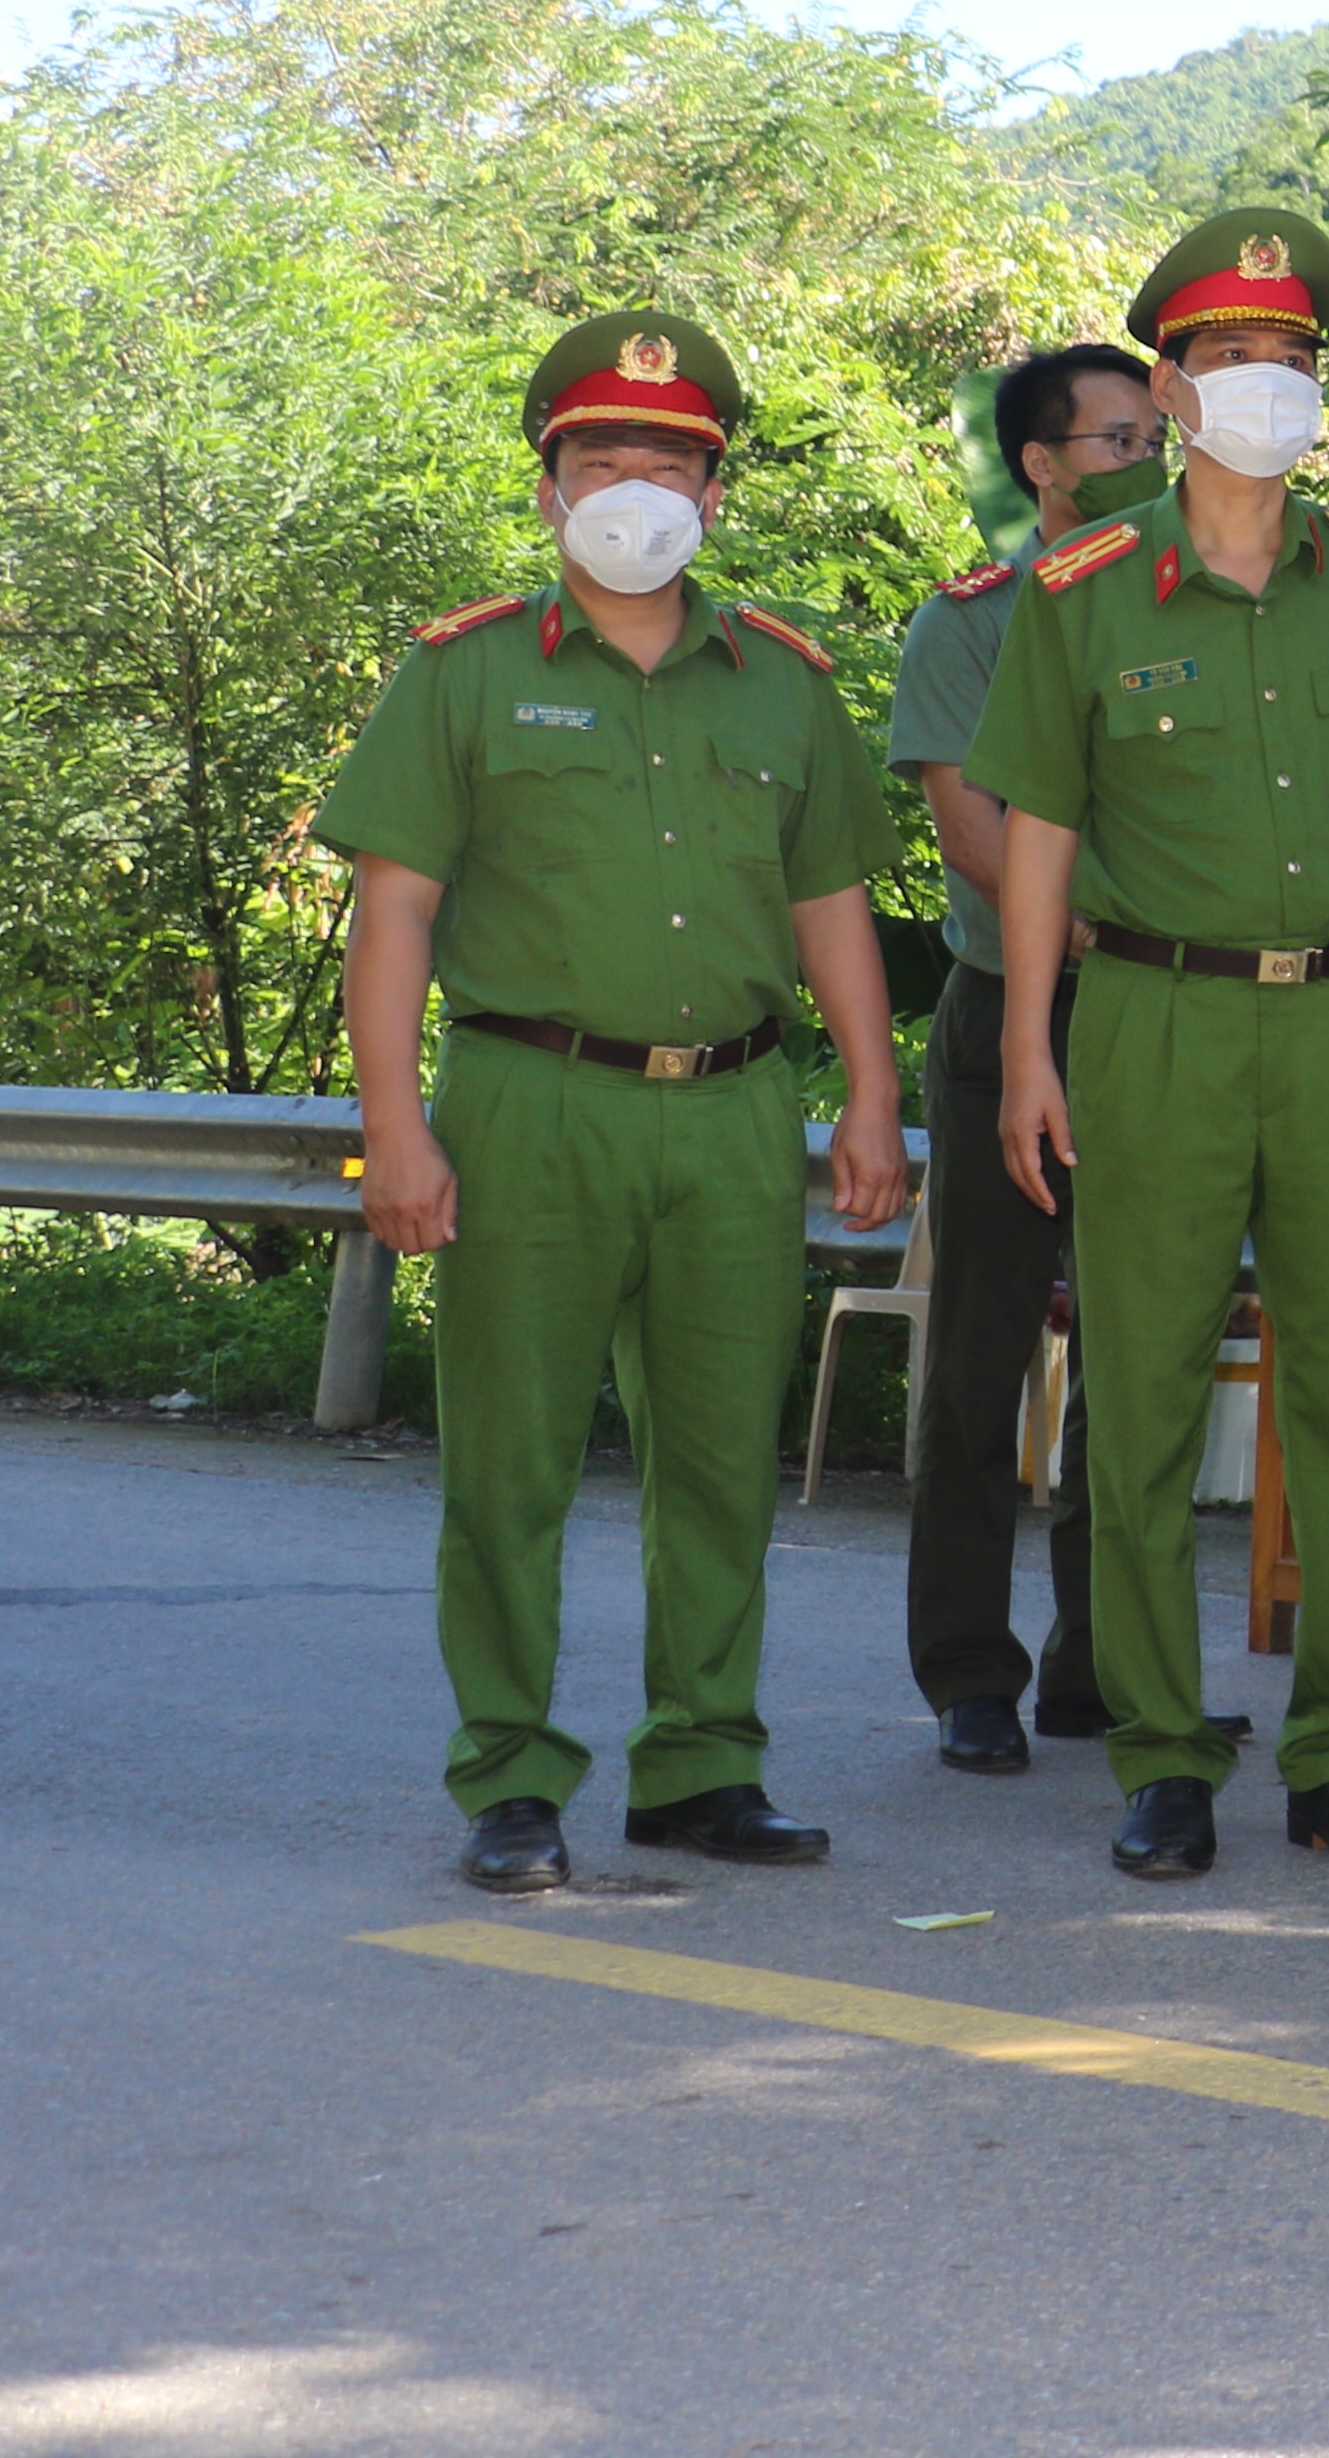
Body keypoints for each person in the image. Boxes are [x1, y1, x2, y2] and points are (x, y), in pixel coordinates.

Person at [315, 310, 909, 1895]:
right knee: (510, 1460)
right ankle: (509, 1774)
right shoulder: (466, 673)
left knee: (720, 1457)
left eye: (669, 460)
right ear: (546, 486)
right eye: (600, 457)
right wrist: (396, 1125)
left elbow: (832, 904)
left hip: (731, 1109)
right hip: (528, 1102)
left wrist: (867, 1094)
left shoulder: (782, 684)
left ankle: (705, 1761)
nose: (632, 483)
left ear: (716, 491)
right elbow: (396, 910)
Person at [965, 206, 1329, 1885]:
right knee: (1141, 1398)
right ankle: (1164, 1752)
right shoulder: (1084, 589)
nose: (1267, 381)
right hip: (1154, 1019)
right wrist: (1030, 1053)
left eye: (1294, 355)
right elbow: (1037, 828)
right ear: (1172, 384)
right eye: (1231, 356)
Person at [885, 338, 1161, 1775]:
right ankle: (969, 1673)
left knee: (1141, 1351)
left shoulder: (1198, 599)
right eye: (1117, 439)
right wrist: (1126, 935)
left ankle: (1099, 1664)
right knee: (981, 1356)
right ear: (1043, 466)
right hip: (1020, 1013)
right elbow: (977, 840)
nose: (1149, 460)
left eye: (1155, 433)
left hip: (1157, 1025)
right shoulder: (974, 622)